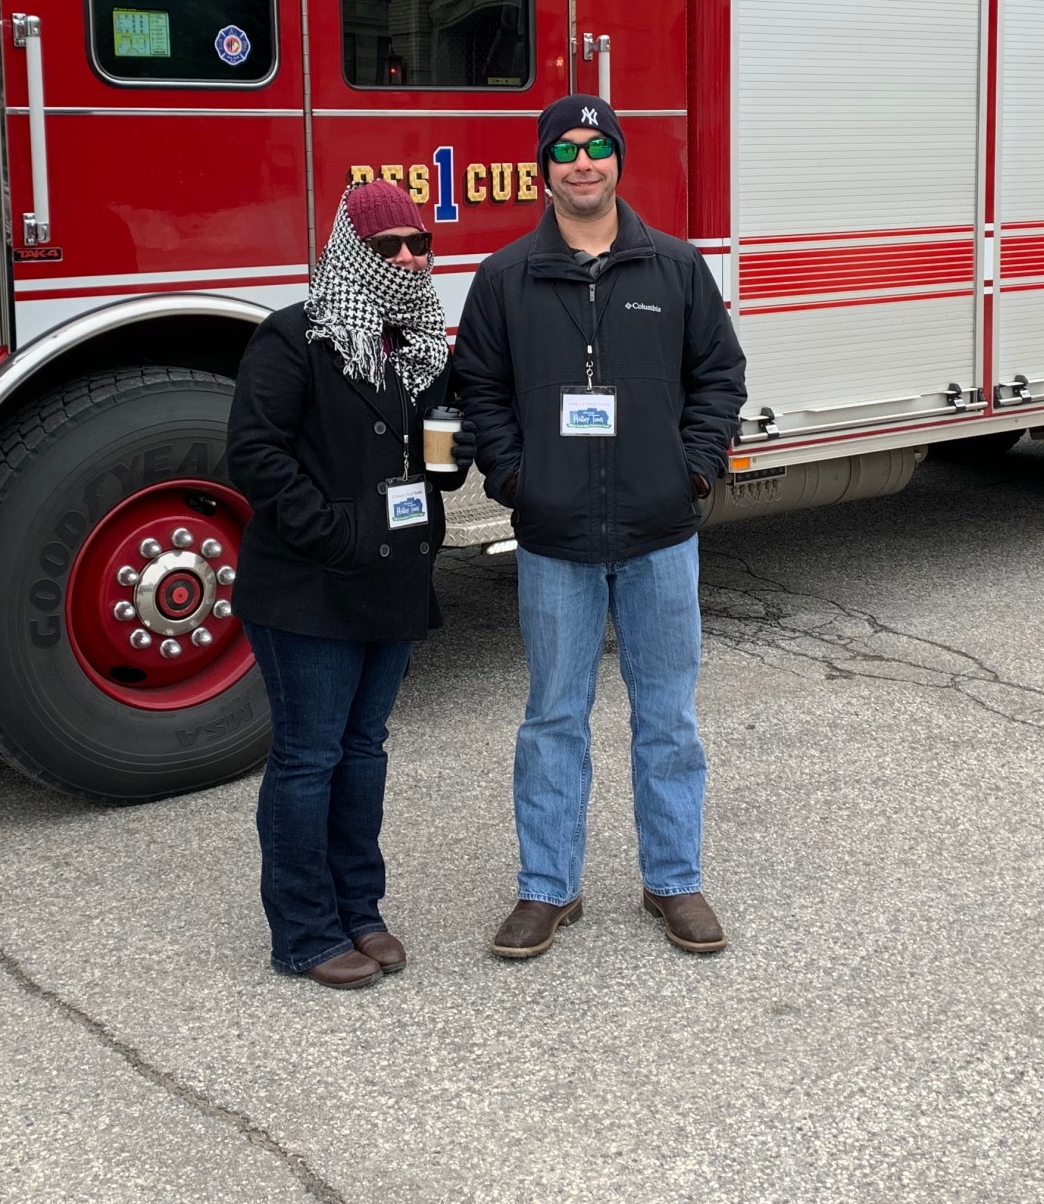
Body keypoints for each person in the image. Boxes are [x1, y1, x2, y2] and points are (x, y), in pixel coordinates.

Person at [453, 95, 748, 960]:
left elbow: (719, 377)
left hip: (661, 532)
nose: (583, 164)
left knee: (668, 718)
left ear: (619, 160)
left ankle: (674, 881)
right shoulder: (506, 277)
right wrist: (515, 479)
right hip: (557, 540)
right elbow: (480, 389)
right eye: (565, 151)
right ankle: (548, 890)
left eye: (598, 148)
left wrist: (694, 468)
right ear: (542, 168)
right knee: (553, 717)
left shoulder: (675, 269)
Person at [227, 180, 475, 989]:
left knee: (364, 750)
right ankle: (303, 932)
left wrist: (453, 454)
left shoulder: (425, 344)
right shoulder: (295, 338)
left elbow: (435, 458)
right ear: (348, 252)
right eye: (385, 246)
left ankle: (360, 911)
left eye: (418, 244)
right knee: (309, 756)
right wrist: (336, 533)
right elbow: (257, 456)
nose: (405, 258)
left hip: (396, 577)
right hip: (313, 584)